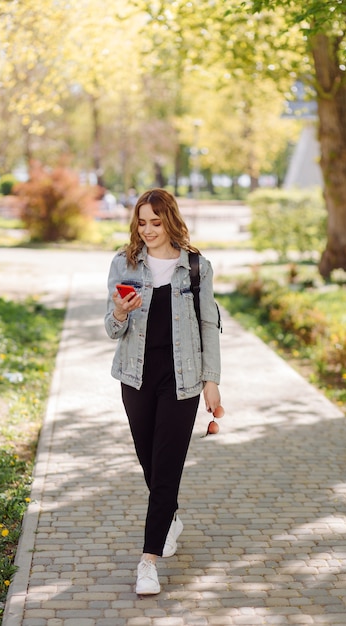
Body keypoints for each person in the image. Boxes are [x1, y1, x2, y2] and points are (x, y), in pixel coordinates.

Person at [104, 188, 222, 595]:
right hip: (135, 376)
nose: (148, 230)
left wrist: (212, 381)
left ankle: (148, 561)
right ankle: (169, 517)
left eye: (156, 221)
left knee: (167, 464)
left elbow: (209, 325)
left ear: (170, 219)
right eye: (142, 222)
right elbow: (111, 328)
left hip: (183, 378)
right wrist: (120, 312)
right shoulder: (124, 262)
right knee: (149, 463)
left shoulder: (195, 266)